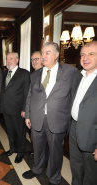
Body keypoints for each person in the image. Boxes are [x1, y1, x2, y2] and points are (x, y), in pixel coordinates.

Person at [22, 42, 77, 185]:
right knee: (37, 147)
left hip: (57, 119)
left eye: (47, 53)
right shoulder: (35, 75)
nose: (43, 56)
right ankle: (37, 168)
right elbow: (29, 96)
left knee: (55, 152)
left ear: (56, 55)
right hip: (36, 118)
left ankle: (54, 178)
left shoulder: (70, 72)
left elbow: (77, 94)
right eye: (42, 53)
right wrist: (28, 115)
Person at [70, 41, 97, 185]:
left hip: (92, 134)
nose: (85, 58)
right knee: (75, 166)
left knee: (91, 174)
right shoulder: (78, 76)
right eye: (83, 55)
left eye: (91, 54)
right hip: (74, 128)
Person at [0, 52, 30, 163]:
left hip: (18, 110)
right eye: (7, 59)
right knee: (10, 131)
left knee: (20, 132)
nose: (8, 61)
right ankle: (12, 148)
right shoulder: (4, 73)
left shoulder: (24, 73)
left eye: (11, 59)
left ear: (17, 60)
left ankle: (21, 152)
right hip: (6, 109)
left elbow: (27, 93)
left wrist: (24, 109)